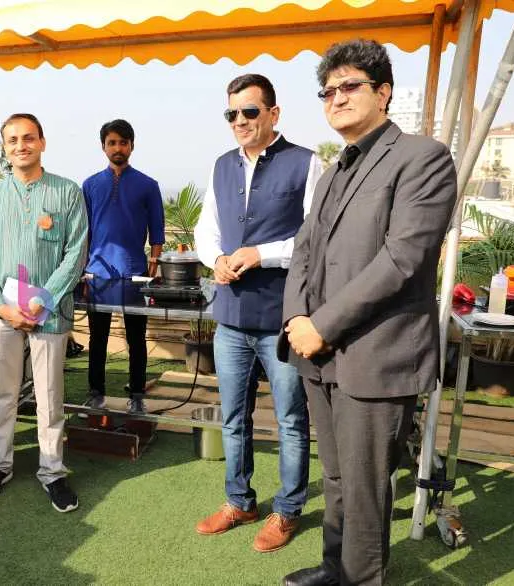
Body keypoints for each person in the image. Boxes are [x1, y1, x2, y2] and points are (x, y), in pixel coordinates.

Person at [279, 39, 457, 586]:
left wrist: (323, 325)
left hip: (376, 353)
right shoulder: (333, 171)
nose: (336, 98)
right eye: (327, 91)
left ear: (384, 92)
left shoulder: (422, 157)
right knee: (335, 477)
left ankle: (362, 578)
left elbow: (403, 259)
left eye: (349, 86)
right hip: (320, 352)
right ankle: (338, 569)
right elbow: (304, 250)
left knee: (365, 485)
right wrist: (295, 322)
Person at [193, 74, 320, 553]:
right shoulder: (221, 166)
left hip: (283, 318)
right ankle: (239, 501)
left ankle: (287, 511)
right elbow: (208, 229)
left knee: (290, 419)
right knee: (233, 417)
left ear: (273, 113)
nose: (240, 121)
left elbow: (316, 239)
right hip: (229, 317)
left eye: (249, 112)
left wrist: (261, 254)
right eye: (232, 114)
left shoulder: (306, 163)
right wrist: (217, 259)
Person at [0, 113, 88, 513]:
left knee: (50, 397)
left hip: (48, 314)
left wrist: (43, 300)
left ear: (42, 142)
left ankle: (52, 472)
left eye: (28, 138)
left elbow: (75, 254)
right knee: (2, 393)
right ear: (4, 147)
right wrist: (1, 307)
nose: (21, 145)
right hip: (2, 314)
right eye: (12, 140)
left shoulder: (67, 192)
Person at [82, 119, 165, 415]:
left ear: (132, 145)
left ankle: (138, 392)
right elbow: (85, 232)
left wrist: (153, 265)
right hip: (97, 274)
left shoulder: (148, 185)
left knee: (135, 338)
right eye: (112, 143)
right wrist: (83, 269)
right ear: (103, 146)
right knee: (98, 337)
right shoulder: (90, 185)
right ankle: (95, 392)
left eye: (123, 142)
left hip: (135, 273)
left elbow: (157, 231)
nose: (118, 148)